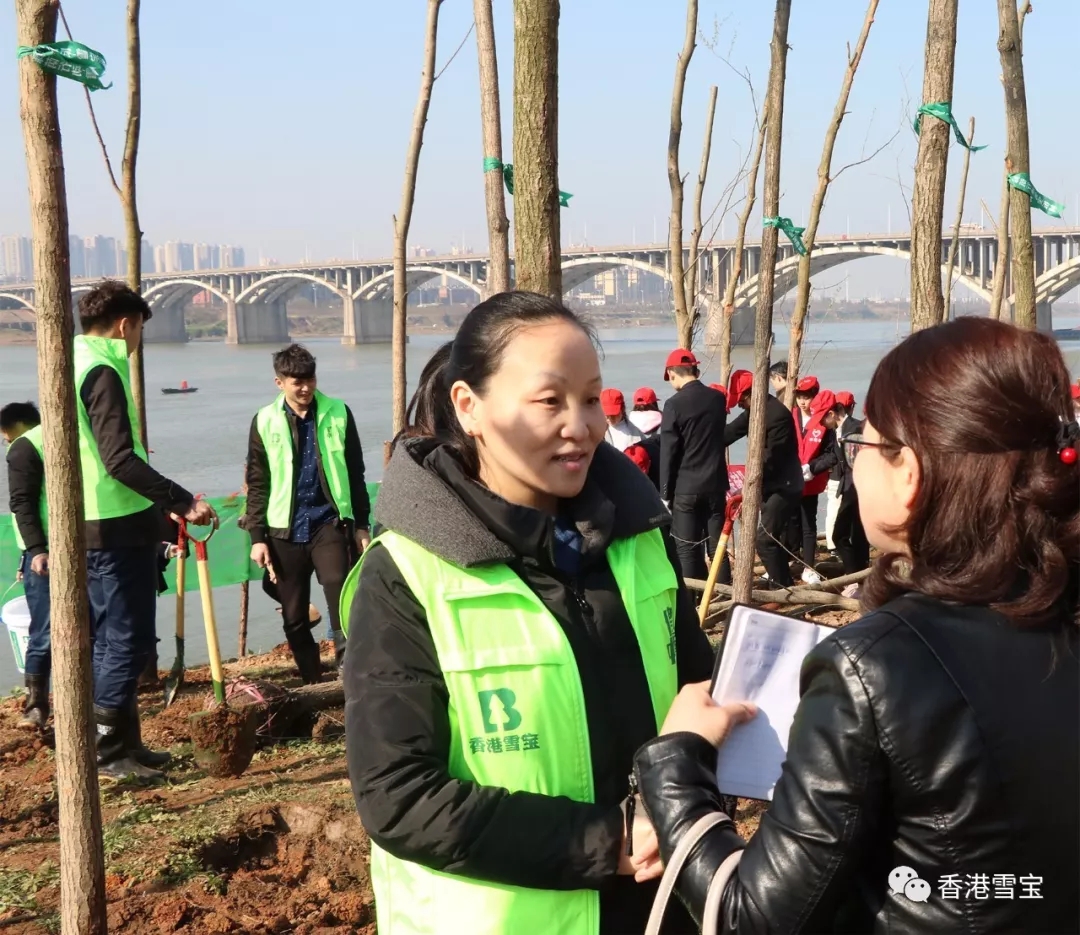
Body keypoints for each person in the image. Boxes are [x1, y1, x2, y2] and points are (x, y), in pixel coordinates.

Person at [633, 317, 1080, 934]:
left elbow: (751, 919)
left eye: (861, 448)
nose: (856, 463)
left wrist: (676, 765)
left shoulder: (874, 666)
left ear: (909, 473)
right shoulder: (1059, 616)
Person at [341, 292, 715, 935]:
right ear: (469, 406)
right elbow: (397, 795)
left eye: (591, 399)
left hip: (661, 907)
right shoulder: (405, 574)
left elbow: (697, 689)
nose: (583, 426)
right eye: (549, 401)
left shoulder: (637, 540)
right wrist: (610, 840)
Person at [75, 281, 215, 780]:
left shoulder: (73, 360)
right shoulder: (104, 370)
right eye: (138, 331)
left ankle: (126, 744)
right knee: (128, 641)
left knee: (110, 641)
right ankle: (109, 752)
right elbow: (118, 460)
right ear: (124, 325)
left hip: (91, 522)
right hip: (116, 527)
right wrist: (182, 501)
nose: (137, 341)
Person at [245, 344, 370, 683]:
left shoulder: (339, 413)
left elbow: (355, 472)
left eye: (310, 380)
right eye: (296, 382)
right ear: (279, 382)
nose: (305, 388)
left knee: (340, 592)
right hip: (283, 528)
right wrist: (257, 537)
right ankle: (312, 680)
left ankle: (348, 673)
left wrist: (361, 524)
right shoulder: (264, 420)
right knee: (294, 614)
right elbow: (257, 482)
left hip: (329, 521)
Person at [724, 369, 803, 585]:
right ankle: (782, 583)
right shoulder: (754, 411)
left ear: (751, 394)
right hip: (771, 484)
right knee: (770, 540)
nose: (740, 405)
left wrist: (747, 485)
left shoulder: (777, 416)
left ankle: (783, 588)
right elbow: (729, 433)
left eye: (741, 400)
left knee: (765, 540)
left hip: (784, 486)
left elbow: (771, 458)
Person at [659, 349, 729, 582]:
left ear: (672, 373)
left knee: (687, 548)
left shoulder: (673, 404)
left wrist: (665, 493)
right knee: (717, 547)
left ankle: (693, 598)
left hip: (686, 487)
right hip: (716, 484)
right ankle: (723, 596)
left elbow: (668, 451)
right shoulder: (717, 399)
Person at [2, 401, 50, 730]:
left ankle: (37, 707)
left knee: (43, 631)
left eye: (5, 433)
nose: (5, 440)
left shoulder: (24, 446)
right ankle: (36, 704)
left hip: (43, 553)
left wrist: (35, 550)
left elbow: (20, 502)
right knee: (47, 630)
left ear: (17, 424)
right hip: (42, 551)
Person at [795, 389, 839, 585]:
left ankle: (809, 567)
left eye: (807, 397)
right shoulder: (791, 416)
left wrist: (812, 468)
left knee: (808, 525)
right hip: (789, 481)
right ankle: (786, 561)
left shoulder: (824, 422)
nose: (802, 402)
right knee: (787, 524)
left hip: (810, 482)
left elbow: (831, 454)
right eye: (799, 397)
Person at [830, 392, 870, 578]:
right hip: (848, 487)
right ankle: (858, 573)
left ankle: (855, 574)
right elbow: (834, 458)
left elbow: (857, 462)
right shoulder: (837, 430)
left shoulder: (855, 429)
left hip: (856, 488)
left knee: (841, 534)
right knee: (855, 533)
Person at [823, 391, 857, 549]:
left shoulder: (855, 429)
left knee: (852, 531)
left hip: (853, 486)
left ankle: (856, 562)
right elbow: (832, 456)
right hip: (841, 482)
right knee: (839, 529)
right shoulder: (834, 431)